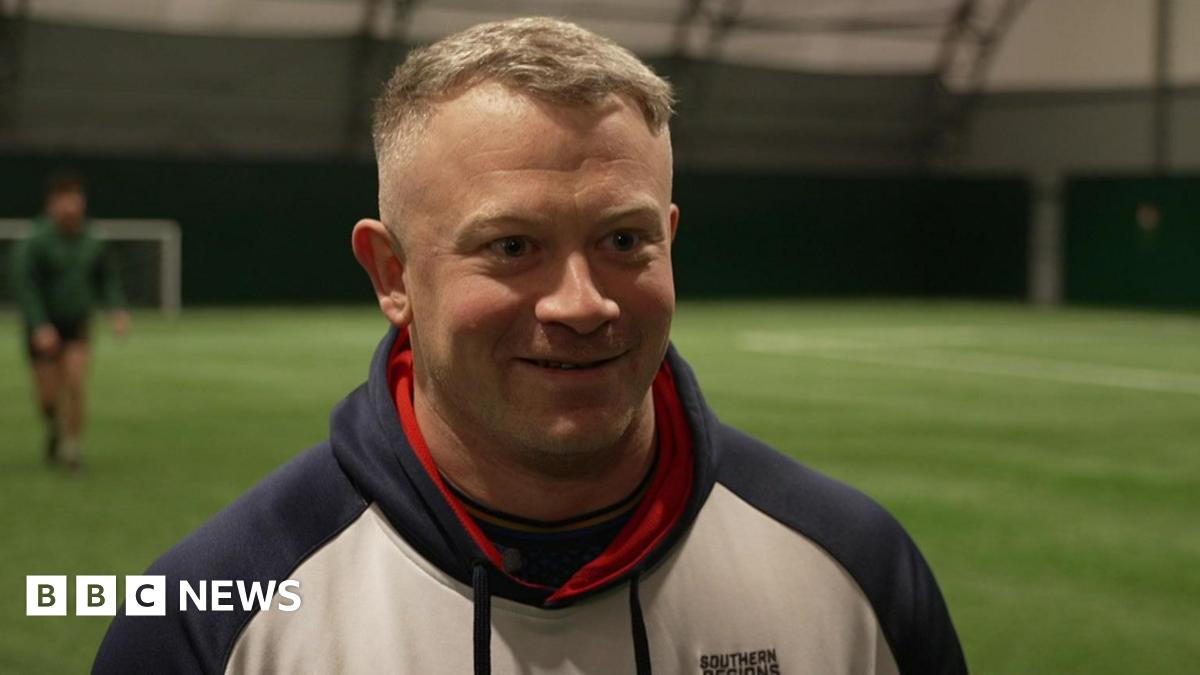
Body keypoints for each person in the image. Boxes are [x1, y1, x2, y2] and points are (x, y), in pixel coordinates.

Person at [94, 17, 966, 674]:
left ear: (670, 239)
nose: (583, 304)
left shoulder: (853, 570)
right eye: (512, 246)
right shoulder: (209, 618)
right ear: (392, 274)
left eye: (624, 241)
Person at [11, 170, 129, 472]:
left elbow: (107, 279)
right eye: (63, 199)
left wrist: (116, 309)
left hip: (76, 322)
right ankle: (54, 427)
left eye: (74, 198)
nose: (69, 206)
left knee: (76, 383)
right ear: (51, 204)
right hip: (42, 327)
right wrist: (39, 324)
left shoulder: (93, 240)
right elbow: (25, 285)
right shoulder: (36, 241)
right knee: (48, 398)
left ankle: (72, 450)